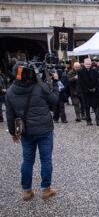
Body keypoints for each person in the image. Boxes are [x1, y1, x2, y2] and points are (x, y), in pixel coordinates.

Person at [5, 62, 60, 200]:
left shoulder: (10, 91)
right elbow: (54, 99)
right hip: (44, 129)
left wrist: (14, 133)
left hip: (26, 131)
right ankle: (46, 189)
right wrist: (54, 83)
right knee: (46, 160)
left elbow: (10, 116)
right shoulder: (39, 87)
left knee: (27, 161)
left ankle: (26, 191)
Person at [78, 59, 99, 126]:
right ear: (84, 64)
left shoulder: (95, 71)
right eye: (87, 64)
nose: (88, 65)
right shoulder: (80, 72)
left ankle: (98, 120)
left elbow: (98, 81)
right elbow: (81, 83)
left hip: (94, 92)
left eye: (89, 64)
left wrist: (95, 88)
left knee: (96, 106)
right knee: (87, 107)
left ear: (91, 64)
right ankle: (88, 120)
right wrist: (87, 89)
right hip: (86, 92)